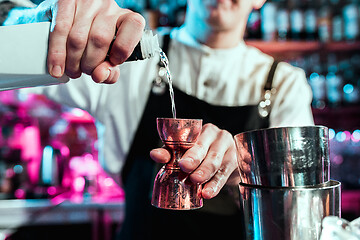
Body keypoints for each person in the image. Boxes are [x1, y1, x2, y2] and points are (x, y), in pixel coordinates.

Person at [1, 0, 314, 239]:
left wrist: (241, 170)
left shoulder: (285, 85)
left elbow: (298, 212)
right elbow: (21, 70)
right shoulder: (129, 58)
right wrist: (44, 20)